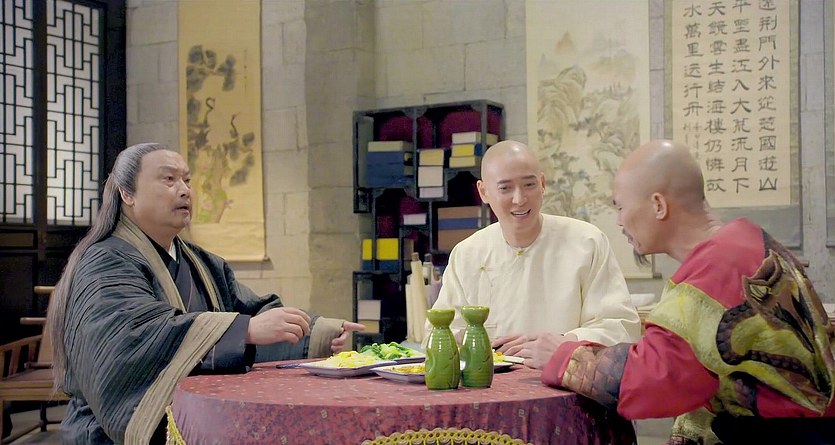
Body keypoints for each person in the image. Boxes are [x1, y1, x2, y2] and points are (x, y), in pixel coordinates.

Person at [46, 143, 364, 444]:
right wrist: (245, 330)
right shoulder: (104, 262)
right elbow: (133, 337)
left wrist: (314, 331)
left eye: (187, 180)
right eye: (168, 179)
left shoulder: (202, 263)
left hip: (195, 417)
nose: (185, 190)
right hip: (109, 432)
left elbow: (252, 310)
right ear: (126, 194)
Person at [541, 139, 835, 444]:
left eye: (620, 206)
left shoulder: (715, 271)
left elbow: (652, 382)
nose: (619, 221)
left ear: (658, 205)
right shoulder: (746, 240)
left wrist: (565, 357)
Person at [427, 140, 641, 366]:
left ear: (542, 184)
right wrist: (467, 341)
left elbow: (620, 327)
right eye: (505, 188)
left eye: (529, 185)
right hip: (488, 383)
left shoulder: (587, 242)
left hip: (564, 380)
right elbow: (439, 331)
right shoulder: (467, 253)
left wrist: (564, 344)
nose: (519, 199)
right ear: (484, 192)